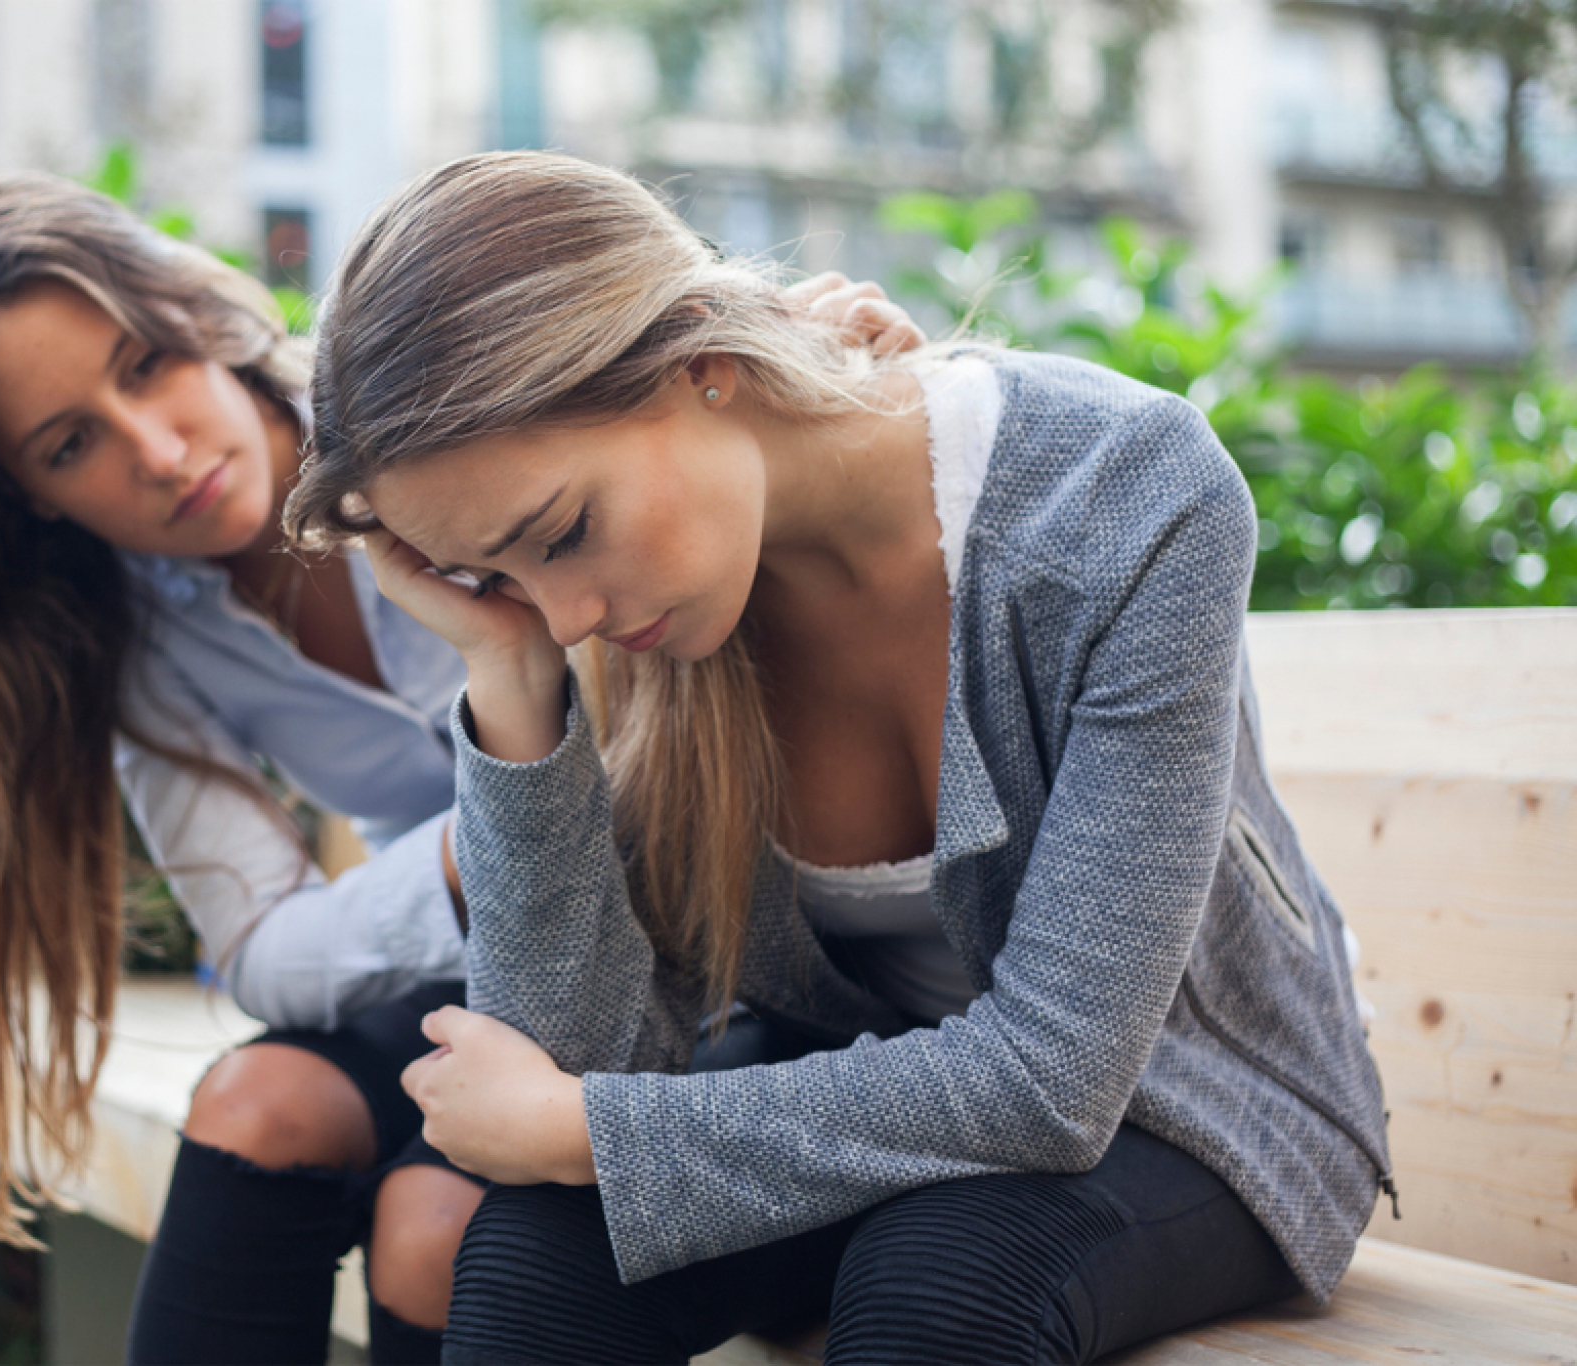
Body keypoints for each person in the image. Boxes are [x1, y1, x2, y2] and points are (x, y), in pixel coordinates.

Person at [284, 151, 1395, 1366]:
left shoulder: (1121, 493)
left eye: (559, 535)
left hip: (1188, 1105)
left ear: (700, 359)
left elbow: (1054, 1080)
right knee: (533, 1253)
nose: (563, 616)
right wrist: (510, 689)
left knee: (939, 1277)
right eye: (497, 576)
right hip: (858, 1082)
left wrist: (591, 1133)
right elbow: (568, 1065)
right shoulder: (632, 622)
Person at [0, 168, 915, 1366]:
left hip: (692, 956)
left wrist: (809, 375)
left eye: (143, 361)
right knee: (258, 1107)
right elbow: (260, 950)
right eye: (69, 443)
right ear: (25, 499)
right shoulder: (141, 638)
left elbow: (690, 415)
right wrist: (475, 856)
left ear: (188, 312)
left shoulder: (440, 424)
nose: (154, 448)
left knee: (433, 1224)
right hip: (490, 955)